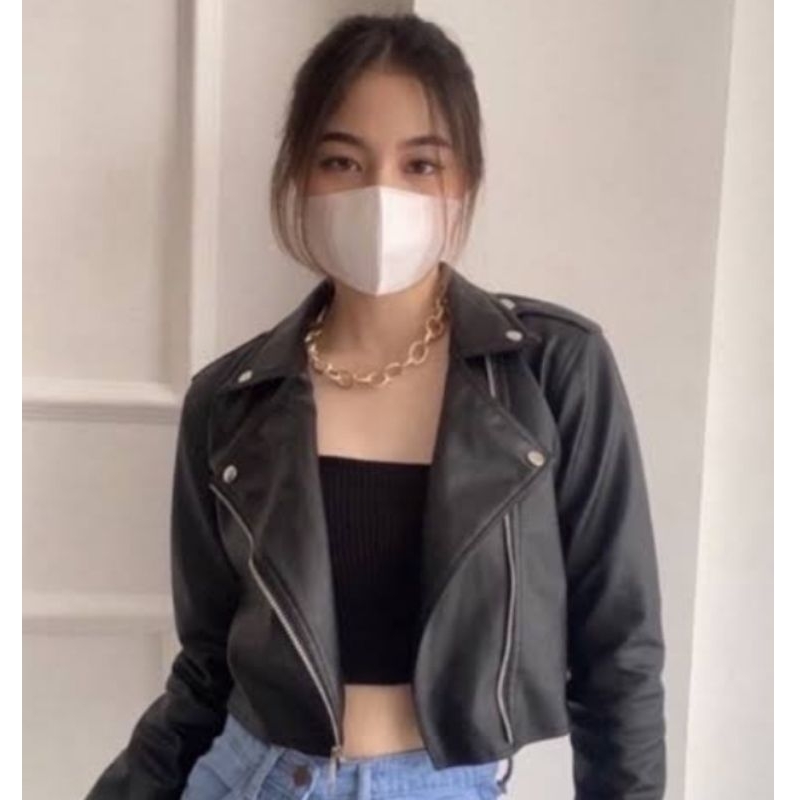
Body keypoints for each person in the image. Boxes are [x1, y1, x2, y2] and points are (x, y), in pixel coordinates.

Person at [85, 12, 666, 800]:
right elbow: (206, 668)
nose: (380, 194)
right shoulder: (229, 402)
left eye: (420, 163)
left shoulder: (554, 371)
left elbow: (619, 654)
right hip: (253, 778)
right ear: (299, 177)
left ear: (465, 182)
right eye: (341, 161)